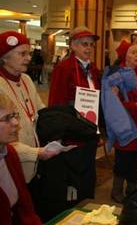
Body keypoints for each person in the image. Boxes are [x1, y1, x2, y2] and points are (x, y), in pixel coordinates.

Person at [0, 31, 59, 221]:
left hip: (34, 166)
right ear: (4, 57)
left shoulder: (25, 80)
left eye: (28, 53)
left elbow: (40, 112)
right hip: (13, 164)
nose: (28, 58)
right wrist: (36, 153)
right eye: (22, 54)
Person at [46, 26, 100, 219]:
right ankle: (73, 216)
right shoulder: (64, 68)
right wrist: (60, 136)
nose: (89, 48)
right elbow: (56, 103)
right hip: (72, 135)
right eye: (84, 44)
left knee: (88, 176)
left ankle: (87, 212)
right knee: (73, 180)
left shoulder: (93, 69)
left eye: (91, 45)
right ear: (73, 46)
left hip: (89, 131)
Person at [109, 40, 137, 203]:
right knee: (123, 159)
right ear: (124, 56)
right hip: (124, 124)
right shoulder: (116, 75)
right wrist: (135, 105)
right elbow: (113, 102)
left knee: (134, 158)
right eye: (133, 52)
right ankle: (116, 190)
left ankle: (131, 189)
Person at [0, 93, 42, 225]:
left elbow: (26, 210)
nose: (16, 123)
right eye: (7, 118)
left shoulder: (9, 153)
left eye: (14, 115)